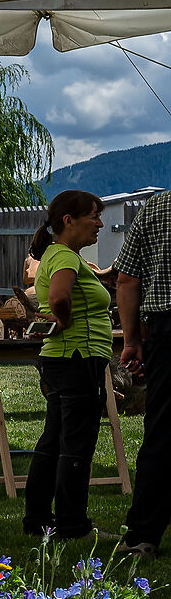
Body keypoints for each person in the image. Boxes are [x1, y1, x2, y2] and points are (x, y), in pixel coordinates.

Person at [25, 189, 112, 543]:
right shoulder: (65, 258)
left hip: (61, 359)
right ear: (68, 221)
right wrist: (64, 319)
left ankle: (39, 522)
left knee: (53, 441)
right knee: (76, 444)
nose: (100, 223)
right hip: (78, 358)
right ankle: (73, 526)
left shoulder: (57, 255)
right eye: (93, 216)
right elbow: (60, 297)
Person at [113, 188, 171, 560]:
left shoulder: (156, 208)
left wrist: (132, 339)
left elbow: (127, 280)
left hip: (167, 330)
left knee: (163, 431)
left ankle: (143, 535)